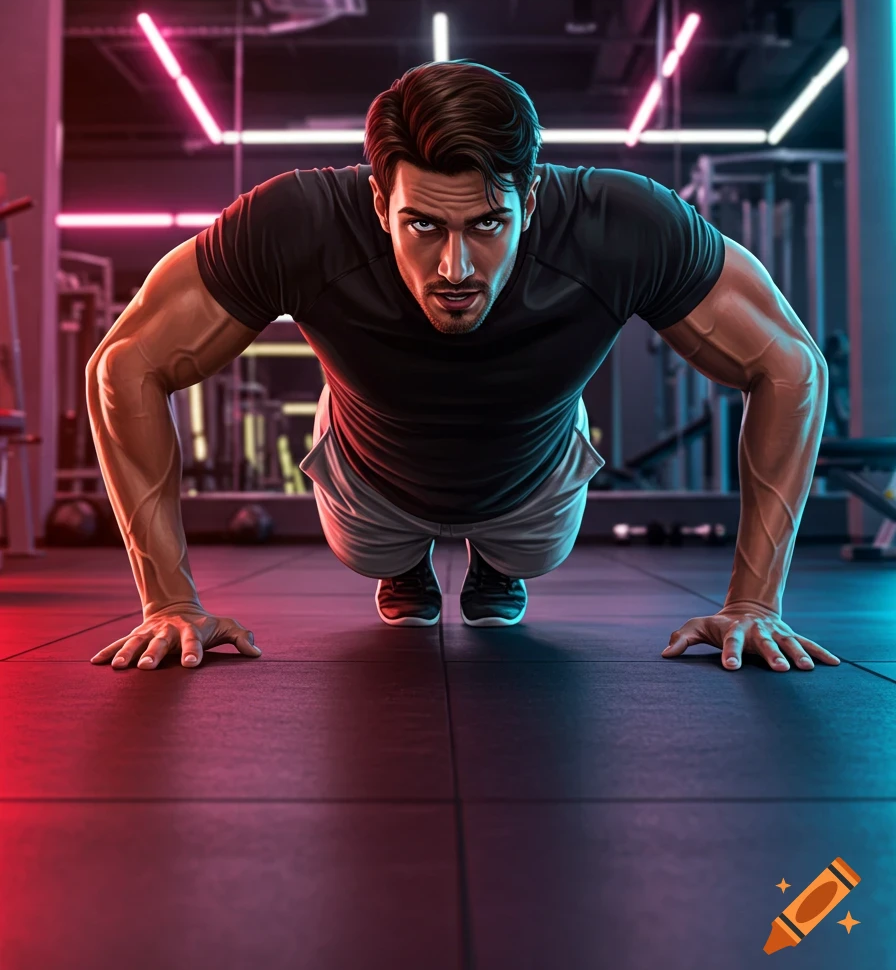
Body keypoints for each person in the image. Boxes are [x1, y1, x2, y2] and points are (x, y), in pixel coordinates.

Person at [86, 60, 840, 676]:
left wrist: (754, 605)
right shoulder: (297, 223)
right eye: (423, 225)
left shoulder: (622, 226)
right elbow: (124, 365)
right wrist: (169, 604)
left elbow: (791, 366)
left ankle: (495, 562)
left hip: (535, 481)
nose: (456, 266)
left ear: (532, 200)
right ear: (380, 202)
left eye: (487, 224)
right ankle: (405, 560)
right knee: (373, 550)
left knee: (528, 553)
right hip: (366, 477)